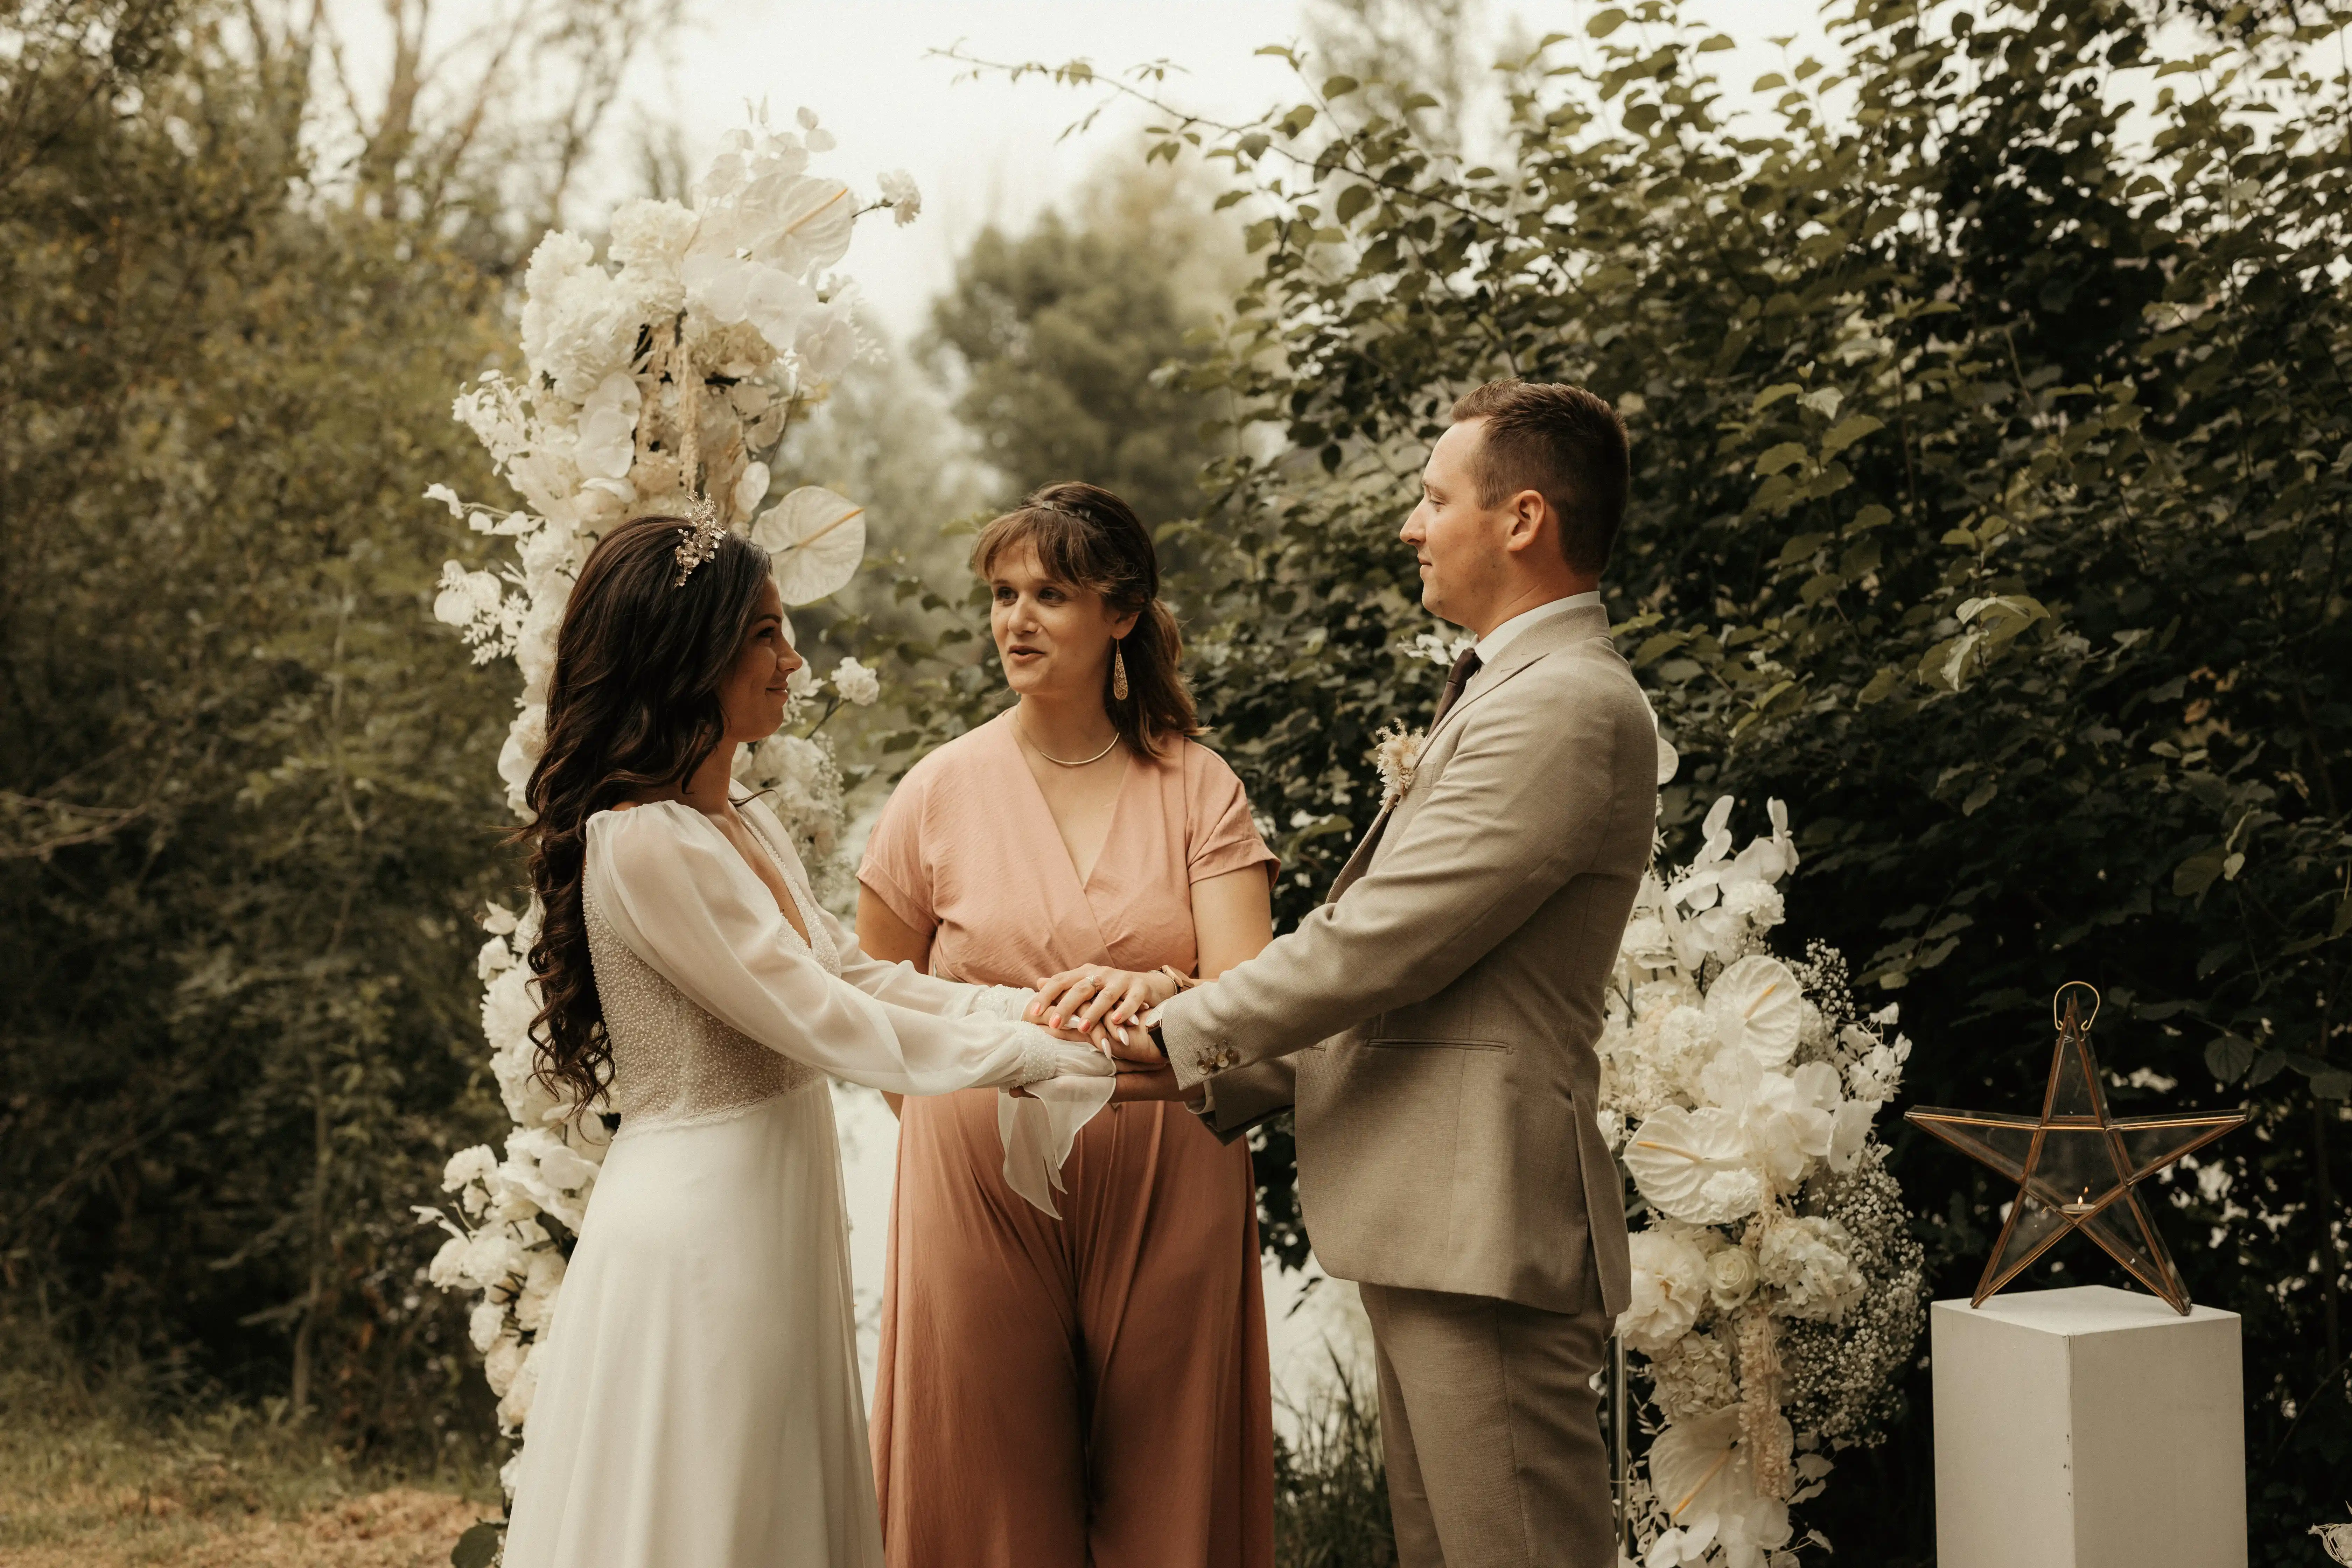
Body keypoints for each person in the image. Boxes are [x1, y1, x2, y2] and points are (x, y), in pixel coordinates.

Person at [1039, 382, 1656, 1568]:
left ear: (1522, 519)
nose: (1410, 528)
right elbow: (1412, 964)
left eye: (1433, 499)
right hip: (1437, 1214)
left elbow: (1386, 941)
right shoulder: (1512, 689)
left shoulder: (1567, 706)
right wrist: (1186, 1021)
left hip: (1484, 1215)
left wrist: (1182, 1031)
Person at [499, 513, 1112, 1568]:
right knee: (712, 1493)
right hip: (703, 1226)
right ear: (689, 654)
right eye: (768, 635)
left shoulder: (737, 819)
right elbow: (819, 1020)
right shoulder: (643, 843)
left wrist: (1031, 1007)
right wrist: (1043, 1058)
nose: (794, 662)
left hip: (773, 1199)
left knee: (776, 1482)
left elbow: (851, 972)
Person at [857, 482, 1278, 1568]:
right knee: (979, 1477)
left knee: (1170, 1477)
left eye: (1050, 592)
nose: (1017, 619)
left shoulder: (1203, 789)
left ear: (1123, 612)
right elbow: (872, 999)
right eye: (1003, 594)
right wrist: (959, 1120)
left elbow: (1254, 1001)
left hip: (1169, 1167)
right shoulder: (938, 791)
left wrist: (1160, 986)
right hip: (976, 1171)